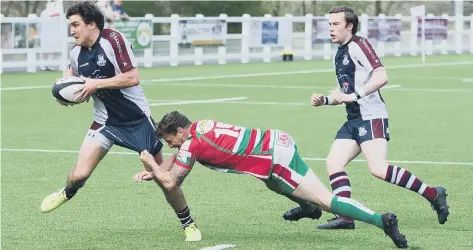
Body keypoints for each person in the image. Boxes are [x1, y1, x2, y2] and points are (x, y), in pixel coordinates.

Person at [39, 2, 201, 242]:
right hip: (104, 122)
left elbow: (133, 77)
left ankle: (188, 223)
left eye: (75, 25)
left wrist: (96, 84)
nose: (72, 31)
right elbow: (69, 75)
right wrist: (64, 93)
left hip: (137, 121)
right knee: (79, 175)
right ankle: (67, 191)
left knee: (163, 178)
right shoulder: (76, 52)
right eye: (70, 25)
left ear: (91, 24)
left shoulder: (113, 40)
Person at [135, 111, 408, 248]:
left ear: (181, 131)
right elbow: (177, 158)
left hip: (275, 156)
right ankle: (307, 208)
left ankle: (381, 220)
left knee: (327, 201)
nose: (170, 146)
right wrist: (156, 170)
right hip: (274, 145)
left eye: (171, 140)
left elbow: (172, 183)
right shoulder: (200, 127)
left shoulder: (191, 146)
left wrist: (150, 163)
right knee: (268, 180)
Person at [307, 6, 449, 230]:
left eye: (335, 24)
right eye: (330, 24)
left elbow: (382, 76)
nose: (331, 29)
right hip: (353, 119)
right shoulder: (340, 53)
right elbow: (344, 92)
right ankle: (345, 216)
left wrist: (356, 95)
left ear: (349, 26)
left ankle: (434, 194)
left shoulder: (359, 45)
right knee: (334, 162)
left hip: (371, 117)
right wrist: (325, 100)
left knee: (378, 169)